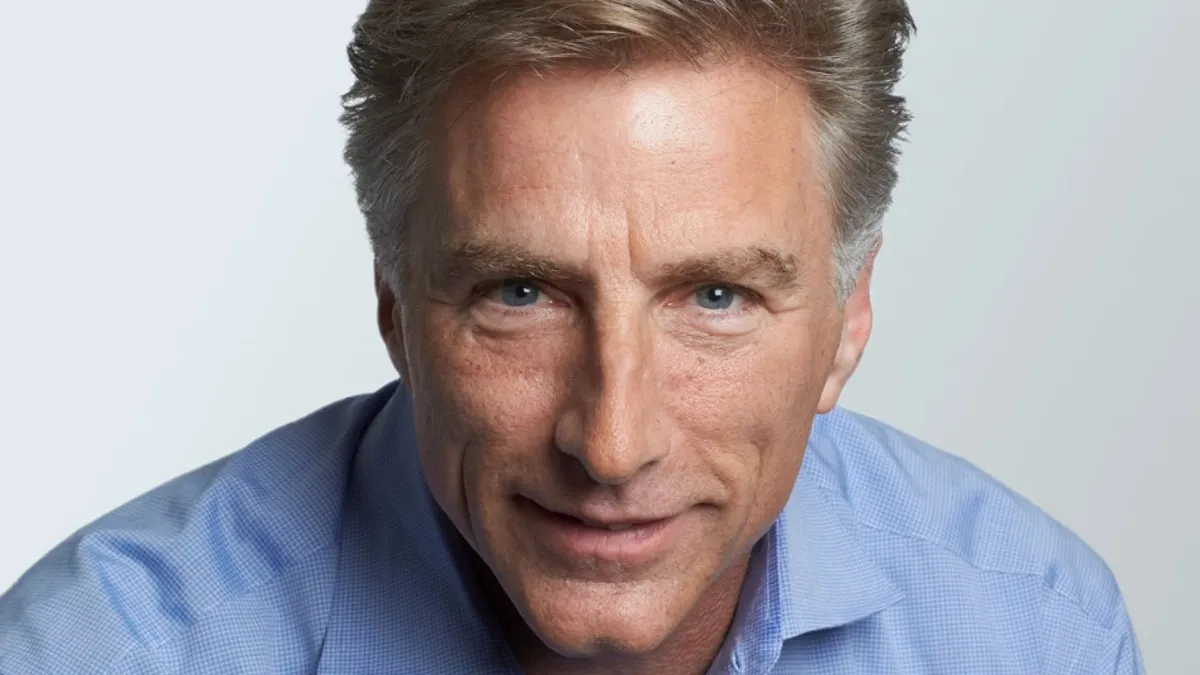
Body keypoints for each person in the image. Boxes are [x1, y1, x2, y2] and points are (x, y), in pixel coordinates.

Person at [0, 0, 1144, 673]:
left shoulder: (1035, 632)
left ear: (847, 321)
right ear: (396, 302)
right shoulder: (110, 651)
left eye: (715, 299)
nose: (612, 443)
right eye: (520, 294)